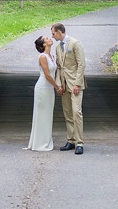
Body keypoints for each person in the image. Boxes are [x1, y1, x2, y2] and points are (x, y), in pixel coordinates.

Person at [52, 22, 86, 155]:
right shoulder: (57, 47)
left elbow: (81, 64)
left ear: (59, 32)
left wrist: (77, 83)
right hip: (64, 84)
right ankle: (71, 140)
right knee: (67, 113)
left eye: (53, 33)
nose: (53, 36)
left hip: (75, 84)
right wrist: (59, 84)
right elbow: (59, 67)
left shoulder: (75, 43)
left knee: (76, 111)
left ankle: (80, 143)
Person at [26, 35, 63, 151]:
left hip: (49, 88)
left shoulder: (51, 56)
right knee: (41, 115)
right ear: (43, 44)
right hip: (43, 88)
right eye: (47, 39)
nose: (50, 39)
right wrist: (57, 87)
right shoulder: (42, 57)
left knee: (48, 114)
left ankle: (46, 141)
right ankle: (39, 143)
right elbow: (47, 75)